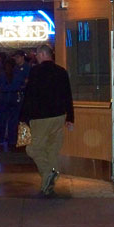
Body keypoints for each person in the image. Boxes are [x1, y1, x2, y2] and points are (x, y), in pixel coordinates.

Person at [20, 44, 74, 197]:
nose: (36, 57)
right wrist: (70, 117)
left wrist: (23, 117)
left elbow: (29, 95)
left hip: (40, 117)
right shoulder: (61, 71)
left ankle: (48, 173)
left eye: (37, 54)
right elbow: (68, 95)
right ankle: (47, 187)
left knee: (33, 149)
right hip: (59, 116)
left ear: (43, 54)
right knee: (52, 150)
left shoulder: (35, 71)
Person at [0, 57, 24, 148]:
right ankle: (12, 140)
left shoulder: (1, 75)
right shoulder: (18, 74)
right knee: (13, 120)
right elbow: (22, 85)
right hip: (15, 98)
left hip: (3, 97)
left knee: (2, 120)